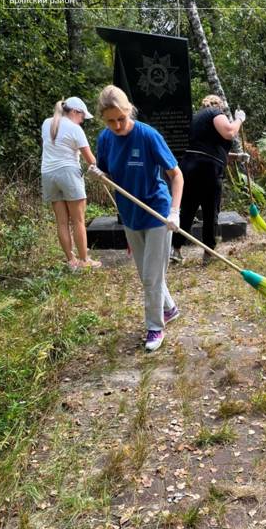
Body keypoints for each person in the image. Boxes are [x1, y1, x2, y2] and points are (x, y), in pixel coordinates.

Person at [90, 85, 184, 352]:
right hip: (130, 214)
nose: (117, 125)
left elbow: (176, 175)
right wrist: (101, 176)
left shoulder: (148, 136)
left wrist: (174, 212)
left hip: (157, 212)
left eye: (121, 118)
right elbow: (109, 176)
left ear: (129, 110)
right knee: (146, 274)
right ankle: (169, 308)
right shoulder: (105, 139)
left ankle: (155, 327)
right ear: (103, 119)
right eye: (110, 121)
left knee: (152, 277)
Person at [170, 95, 245, 266]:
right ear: (218, 105)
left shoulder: (198, 120)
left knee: (188, 209)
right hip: (207, 172)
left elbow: (211, 150)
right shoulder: (214, 113)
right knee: (211, 211)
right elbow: (230, 132)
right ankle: (208, 253)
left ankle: (176, 249)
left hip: (191, 167)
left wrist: (237, 156)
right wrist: (239, 119)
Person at [40, 97, 101, 269]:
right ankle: (84, 260)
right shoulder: (75, 129)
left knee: (61, 221)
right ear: (75, 112)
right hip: (68, 173)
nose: (82, 121)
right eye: (82, 117)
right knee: (78, 220)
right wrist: (97, 168)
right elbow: (91, 160)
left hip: (48, 173)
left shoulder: (47, 123)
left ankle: (71, 261)